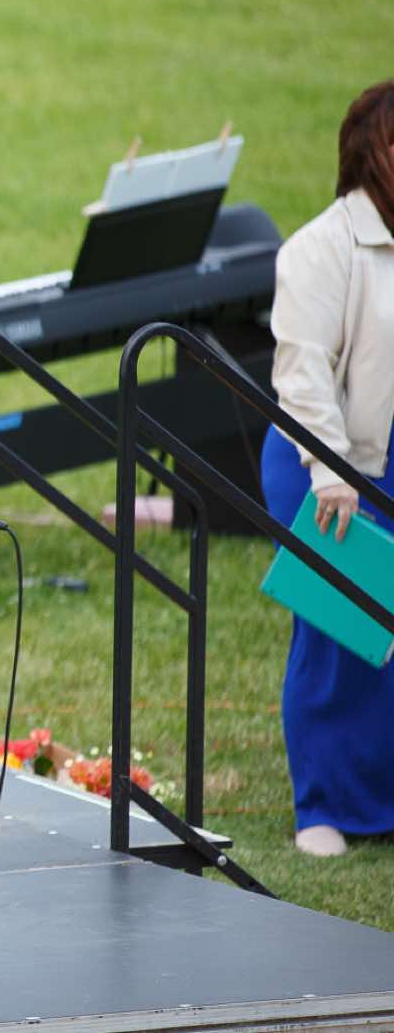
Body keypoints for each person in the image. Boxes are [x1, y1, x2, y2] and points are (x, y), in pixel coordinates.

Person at [262, 78, 394, 858]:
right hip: (323, 458)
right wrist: (331, 472)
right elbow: (303, 373)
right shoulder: (321, 247)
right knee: (336, 634)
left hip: (389, 452)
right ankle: (322, 806)